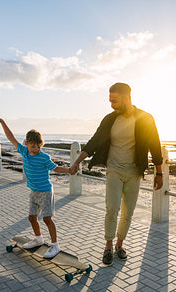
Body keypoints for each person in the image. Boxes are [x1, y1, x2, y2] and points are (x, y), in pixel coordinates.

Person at [69, 82, 163, 266]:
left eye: (115, 100)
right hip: (114, 170)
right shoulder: (109, 119)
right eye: (110, 101)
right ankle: (108, 246)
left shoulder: (146, 118)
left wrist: (159, 174)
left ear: (127, 97)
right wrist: (77, 162)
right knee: (112, 208)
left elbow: (155, 146)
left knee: (128, 211)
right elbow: (94, 142)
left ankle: (120, 245)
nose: (112, 104)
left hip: (134, 173)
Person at [0, 118, 70, 258]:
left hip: (46, 192)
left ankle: (55, 246)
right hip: (34, 191)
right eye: (33, 146)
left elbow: (57, 168)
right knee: (31, 217)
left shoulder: (44, 157)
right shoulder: (23, 151)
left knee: (47, 219)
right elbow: (10, 137)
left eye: (38, 147)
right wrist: (1, 122)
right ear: (26, 144)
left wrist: (69, 170)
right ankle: (38, 239)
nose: (35, 149)